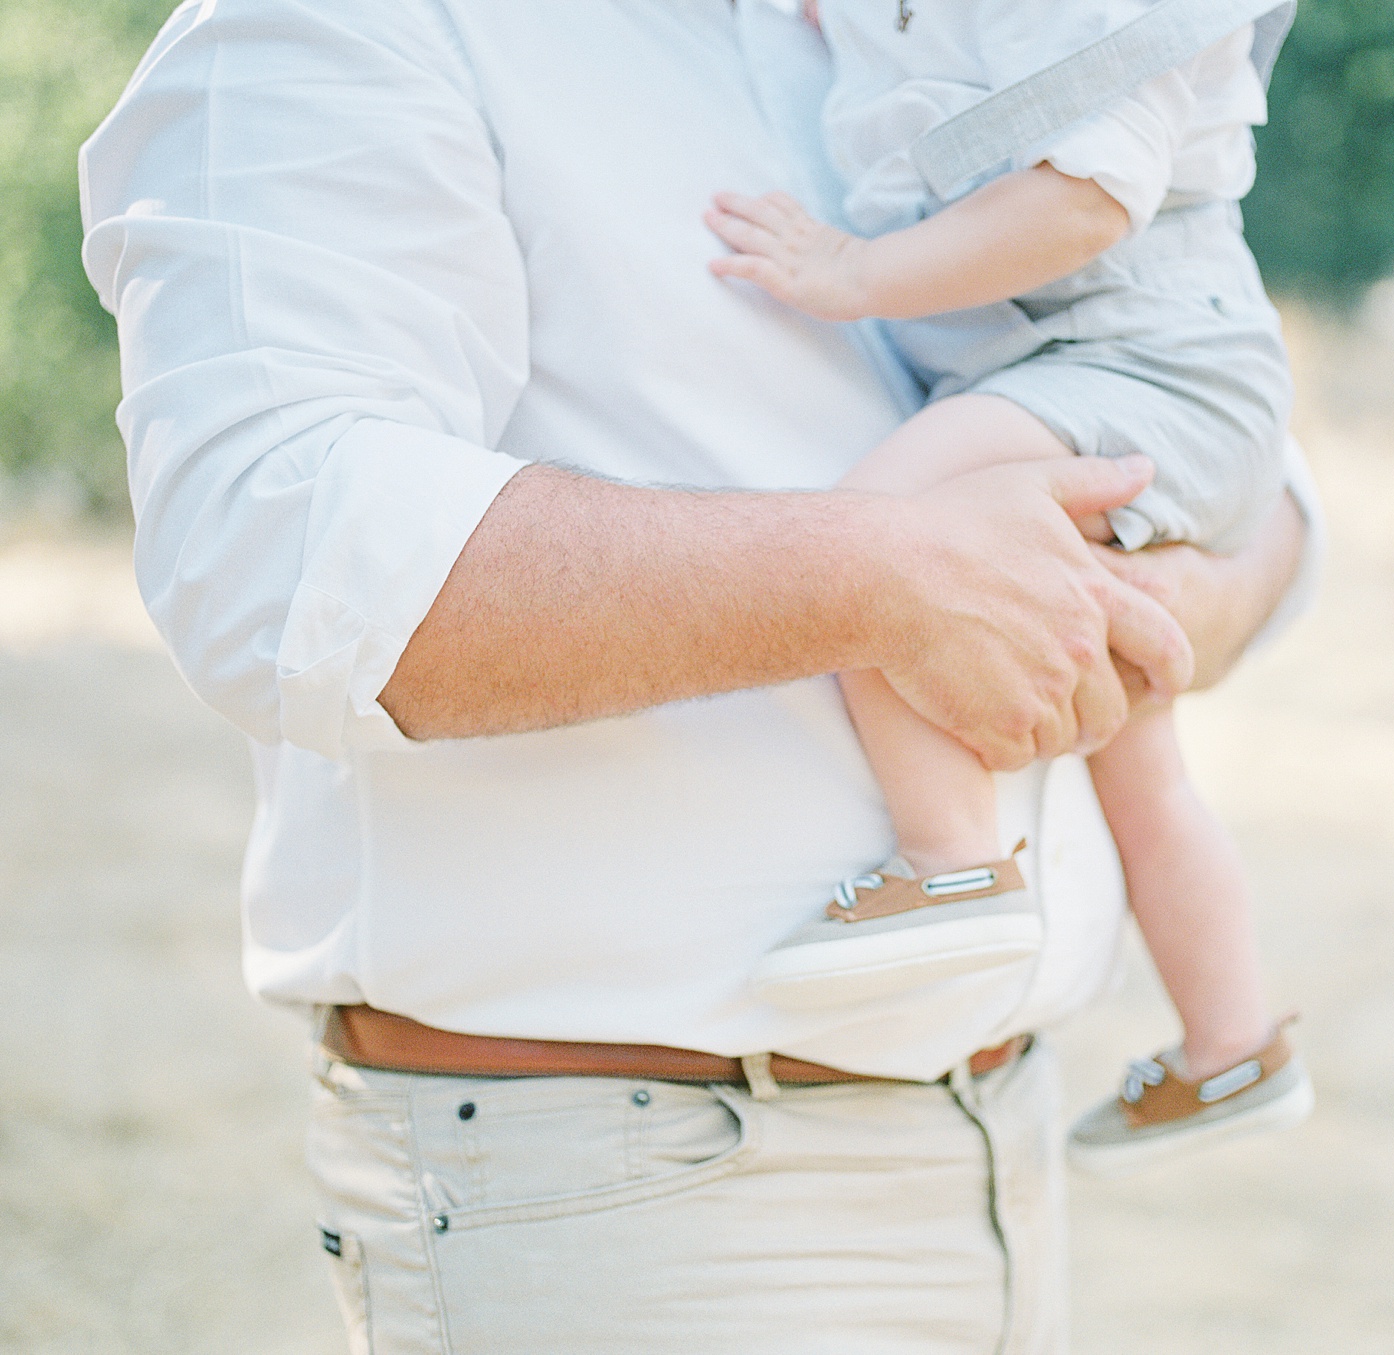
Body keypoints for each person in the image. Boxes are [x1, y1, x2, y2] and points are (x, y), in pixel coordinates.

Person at [79, 0, 1321, 1350]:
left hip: (997, 1145)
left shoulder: (909, 30)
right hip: (634, 1187)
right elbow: (276, 555)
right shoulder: (351, 25)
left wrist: (1144, 601)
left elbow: (1249, 478)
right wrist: (888, 581)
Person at [707, 0, 1312, 1171]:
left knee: (879, 538)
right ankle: (1232, 1043)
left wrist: (860, 272)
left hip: (1150, 364)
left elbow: (1091, 193)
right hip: (1131, 366)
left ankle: (952, 864)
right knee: (1140, 755)